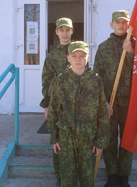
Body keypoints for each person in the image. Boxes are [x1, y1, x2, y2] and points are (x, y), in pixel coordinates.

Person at [47, 41, 110, 187]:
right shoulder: (61, 80)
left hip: (88, 137)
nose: (78, 59)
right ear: (68, 58)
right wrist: (54, 137)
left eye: (82, 56)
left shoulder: (95, 80)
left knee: (87, 179)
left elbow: (102, 112)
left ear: (88, 58)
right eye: (74, 56)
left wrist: (101, 140)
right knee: (67, 180)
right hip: (66, 138)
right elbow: (54, 109)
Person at [93, 10, 135, 187]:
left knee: (127, 138)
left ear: (128, 25)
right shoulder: (103, 48)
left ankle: (123, 175)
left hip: (129, 101)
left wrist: (131, 52)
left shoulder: (135, 45)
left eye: (124, 22)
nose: (121, 25)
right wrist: (103, 102)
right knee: (109, 138)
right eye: (117, 22)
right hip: (109, 102)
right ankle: (112, 174)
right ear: (111, 25)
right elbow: (96, 77)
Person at [40, 17, 74, 187]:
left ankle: (74, 175)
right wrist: (46, 104)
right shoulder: (52, 57)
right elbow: (46, 82)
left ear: (72, 31)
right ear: (56, 32)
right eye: (62, 30)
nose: (65, 33)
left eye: (68, 30)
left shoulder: (78, 52)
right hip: (57, 106)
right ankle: (60, 176)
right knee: (57, 141)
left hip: (77, 106)